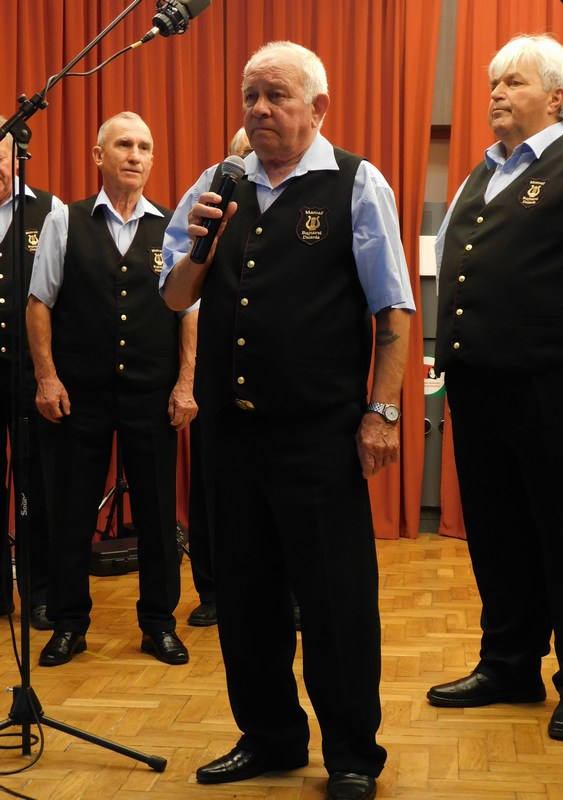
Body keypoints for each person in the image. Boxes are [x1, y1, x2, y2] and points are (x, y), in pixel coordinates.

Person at [160, 40, 414, 800]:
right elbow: (174, 296)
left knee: (335, 600)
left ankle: (352, 754)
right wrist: (201, 244)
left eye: (276, 95)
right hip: (231, 434)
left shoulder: (357, 183)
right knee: (245, 597)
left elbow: (394, 309)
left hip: (318, 435)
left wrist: (382, 412)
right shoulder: (218, 183)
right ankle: (269, 737)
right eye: (250, 96)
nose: (260, 109)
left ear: (318, 107)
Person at [429, 34, 563, 742]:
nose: (496, 93)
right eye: (493, 83)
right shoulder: (481, 173)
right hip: (478, 387)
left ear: (556, 97)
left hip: (554, 387)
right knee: (497, 532)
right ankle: (509, 663)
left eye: (514, 83)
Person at [26, 111, 198, 667]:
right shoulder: (64, 220)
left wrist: (186, 383)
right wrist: (47, 377)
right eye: (124, 145)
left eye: (144, 147)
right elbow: (38, 304)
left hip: (153, 394)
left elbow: (189, 312)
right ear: (99, 155)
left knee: (157, 514)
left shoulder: (173, 227)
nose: (135, 156)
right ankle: (69, 623)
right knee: (71, 512)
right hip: (80, 395)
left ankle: (159, 624)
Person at [185, 125, 252, 629]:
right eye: (243, 155)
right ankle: (211, 591)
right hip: (217, 370)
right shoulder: (210, 189)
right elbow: (178, 285)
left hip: (279, 377)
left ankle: (291, 594)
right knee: (210, 490)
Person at [0, 116, 62, 631]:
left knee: (36, 484)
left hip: (29, 372)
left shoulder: (51, 210)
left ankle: (39, 594)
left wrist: (51, 373)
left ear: (16, 156)